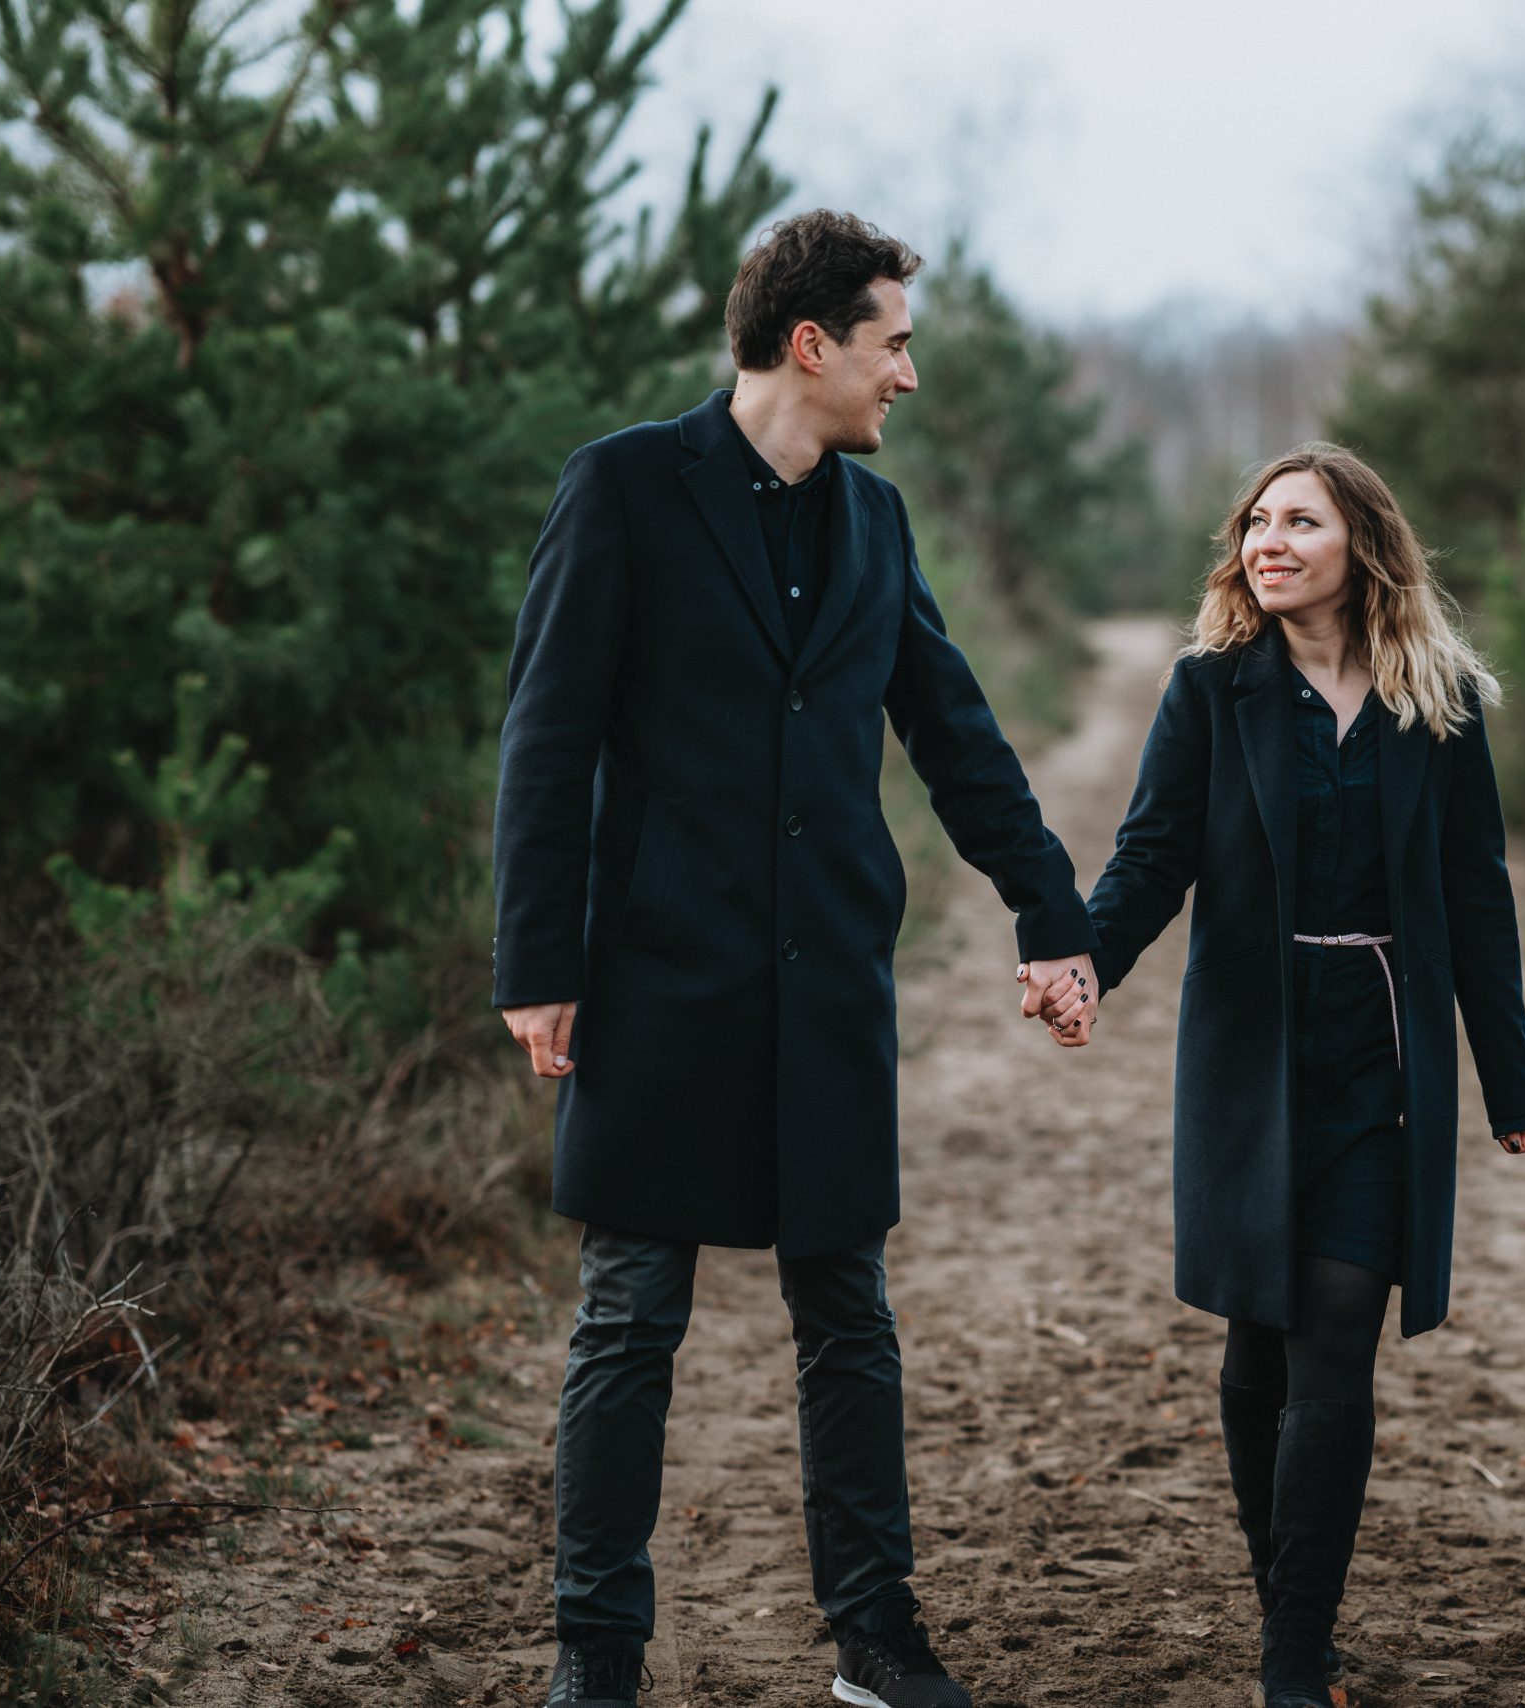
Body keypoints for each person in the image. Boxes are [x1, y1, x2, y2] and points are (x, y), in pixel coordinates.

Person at [491, 209, 1099, 1708]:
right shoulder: (626, 488)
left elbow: (952, 734)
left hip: (828, 981)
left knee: (851, 1314)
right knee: (633, 1315)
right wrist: (538, 959)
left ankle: (877, 1643)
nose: (910, 376)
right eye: (895, 342)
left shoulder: (874, 527)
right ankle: (596, 1657)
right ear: (812, 343)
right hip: (657, 978)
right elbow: (548, 735)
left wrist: (1049, 910)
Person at [1033, 444, 1525, 1708]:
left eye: (1299, 522)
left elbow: (1478, 896)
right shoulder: (1212, 690)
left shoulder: (1442, 703)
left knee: (1331, 1326)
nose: (1268, 541)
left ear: (1361, 543)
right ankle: (1290, 1594)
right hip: (1250, 1049)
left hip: (1382, 1051)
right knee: (1258, 1338)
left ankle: (1292, 1651)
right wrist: (1085, 961)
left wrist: (1508, 1079)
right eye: (1256, 522)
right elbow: (1150, 855)